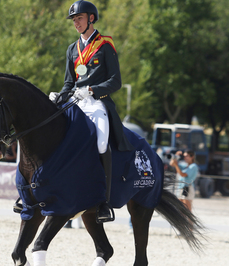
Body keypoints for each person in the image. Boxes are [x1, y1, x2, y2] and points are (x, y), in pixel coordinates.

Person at [49, 0, 134, 223]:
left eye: (79, 18)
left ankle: (103, 202)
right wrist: (59, 95)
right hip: (75, 102)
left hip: (97, 103)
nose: (76, 22)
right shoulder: (71, 49)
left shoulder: (105, 45)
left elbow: (115, 81)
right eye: (74, 20)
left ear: (91, 19)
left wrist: (92, 90)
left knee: (101, 143)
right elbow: (69, 83)